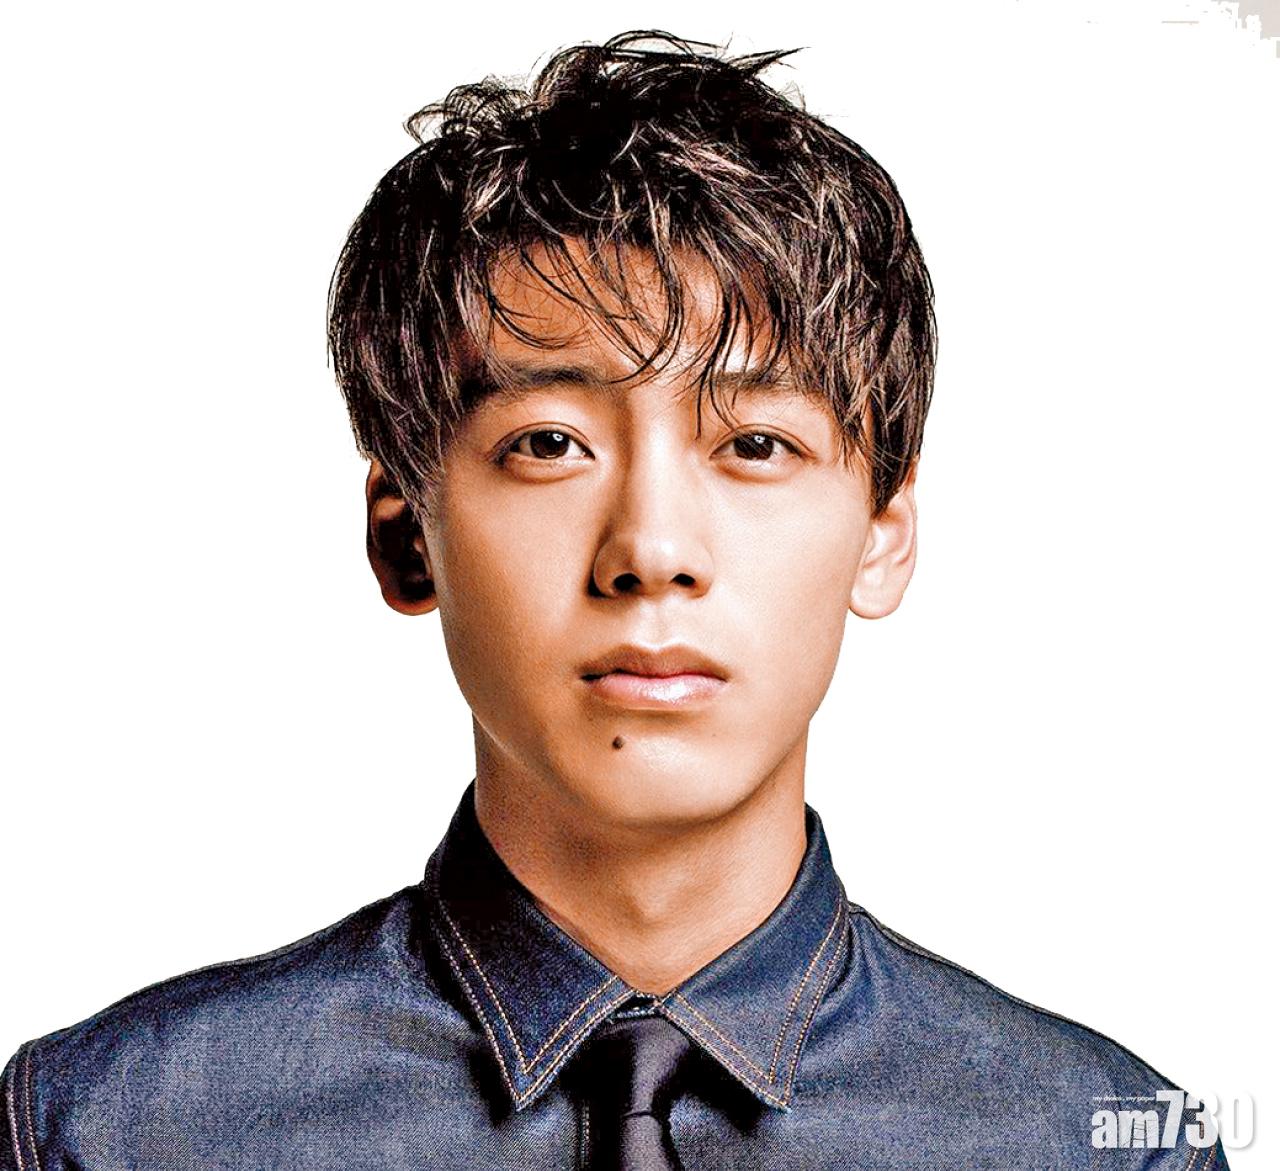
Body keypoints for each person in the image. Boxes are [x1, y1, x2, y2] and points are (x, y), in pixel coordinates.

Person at [1, 30, 1231, 1171]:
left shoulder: (1107, 1142)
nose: (651, 550)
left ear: (882, 533)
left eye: (754, 444)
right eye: (548, 442)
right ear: (404, 535)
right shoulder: (104, 1130)